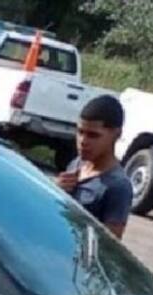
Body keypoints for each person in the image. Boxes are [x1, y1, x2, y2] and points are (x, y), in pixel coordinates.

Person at [56, 95, 133, 239]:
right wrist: (56, 191)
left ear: (116, 135)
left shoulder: (118, 186)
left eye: (93, 135)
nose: (83, 141)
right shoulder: (76, 164)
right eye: (80, 132)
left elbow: (110, 246)